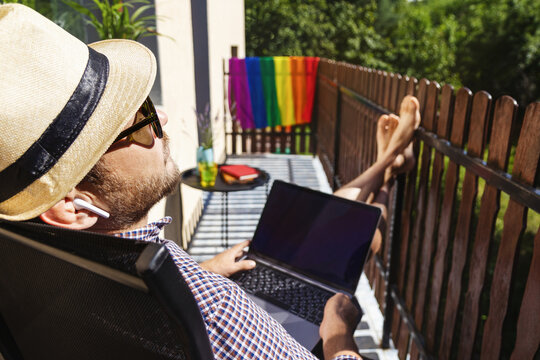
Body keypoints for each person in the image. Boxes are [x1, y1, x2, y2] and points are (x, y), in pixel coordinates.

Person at [0, 4, 419, 359]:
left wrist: (199, 271)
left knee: (336, 217)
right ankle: (387, 168)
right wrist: (339, 336)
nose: (161, 117)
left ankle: (384, 164)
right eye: (138, 123)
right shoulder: (217, 309)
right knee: (354, 236)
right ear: (71, 204)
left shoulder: (32, 262)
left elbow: (118, 313)